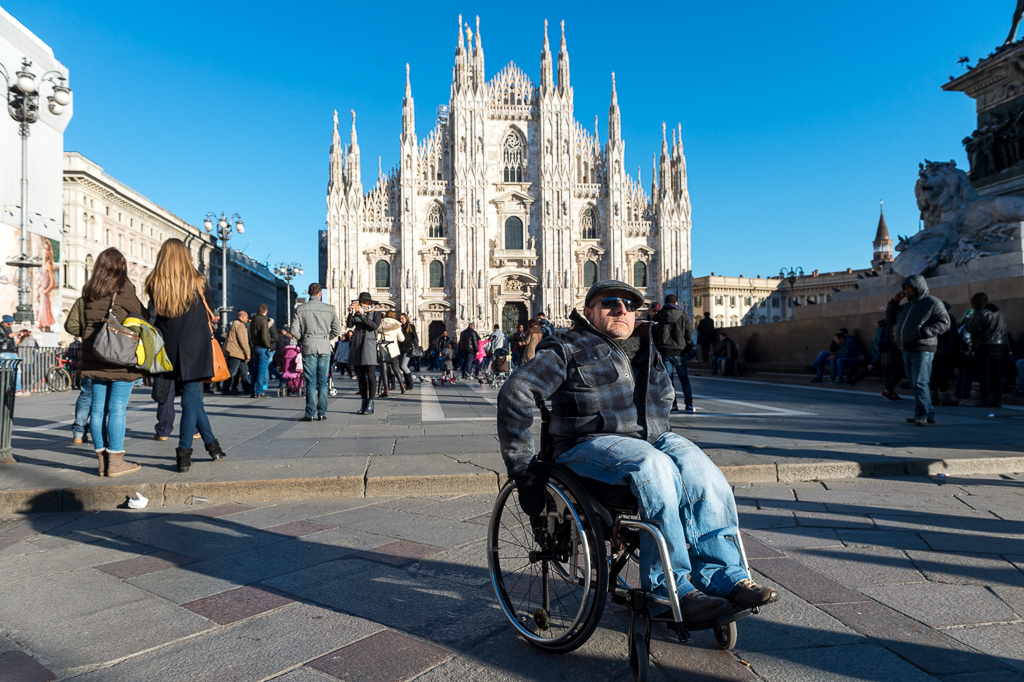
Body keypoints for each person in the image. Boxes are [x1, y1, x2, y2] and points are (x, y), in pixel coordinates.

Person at [497, 279, 778, 622]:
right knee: (653, 466)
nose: (621, 310)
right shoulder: (566, 346)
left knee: (703, 471)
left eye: (630, 306)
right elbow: (517, 393)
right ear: (588, 312)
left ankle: (723, 575)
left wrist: (655, 421)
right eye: (609, 303)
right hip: (587, 442)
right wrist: (523, 468)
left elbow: (665, 396)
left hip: (651, 437)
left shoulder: (645, 346)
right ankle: (671, 587)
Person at [145, 238, 226, 473]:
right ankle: (183, 453)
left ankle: (213, 446)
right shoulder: (198, 281)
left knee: (194, 400)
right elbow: (210, 309)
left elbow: (154, 316)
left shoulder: (155, 282)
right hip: (195, 346)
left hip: (168, 347)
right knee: (191, 399)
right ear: (185, 255)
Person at [76, 247, 146, 477]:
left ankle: (102, 462)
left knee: (97, 410)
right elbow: (142, 315)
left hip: (94, 355)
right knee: (116, 408)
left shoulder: (89, 290)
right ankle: (115, 461)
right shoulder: (124, 288)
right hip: (119, 356)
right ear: (121, 267)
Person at [885, 274, 950, 426]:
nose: (906, 291)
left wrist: (924, 332)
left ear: (918, 287)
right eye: (905, 288)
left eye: (909, 287)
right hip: (906, 348)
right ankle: (930, 413)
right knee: (916, 382)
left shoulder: (932, 302)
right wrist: (894, 302)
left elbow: (944, 323)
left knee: (919, 382)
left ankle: (921, 414)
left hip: (923, 348)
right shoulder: (906, 307)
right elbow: (890, 320)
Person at [292, 282, 342, 421]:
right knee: (322, 381)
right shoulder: (329, 309)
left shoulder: (300, 309)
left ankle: (309, 414)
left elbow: (293, 331)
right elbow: (337, 330)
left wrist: (304, 339)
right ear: (320, 293)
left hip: (309, 347)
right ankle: (321, 413)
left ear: (309, 293)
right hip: (324, 347)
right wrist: (326, 338)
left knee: (310, 382)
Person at [653, 294, 694, 413]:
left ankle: (673, 406)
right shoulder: (683, 315)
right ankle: (689, 405)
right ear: (676, 303)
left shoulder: (658, 317)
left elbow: (654, 336)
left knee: (668, 381)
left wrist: (657, 350)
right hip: (680, 352)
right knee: (684, 379)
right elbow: (689, 335)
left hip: (664, 352)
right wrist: (688, 349)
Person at [967, 292, 1008, 408]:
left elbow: (974, 329)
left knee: (984, 373)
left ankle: (985, 399)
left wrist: (968, 322)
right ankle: (997, 399)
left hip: (985, 346)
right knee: (997, 373)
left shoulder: (981, 312)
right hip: (999, 345)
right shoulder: (998, 312)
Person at [347, 292, 382, 415]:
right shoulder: (357, 313)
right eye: (359, 302)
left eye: (363, 302)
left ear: (369, 303)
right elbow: (349, 325)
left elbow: (374, 326)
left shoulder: (376, 314)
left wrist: (362, 316)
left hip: (369, 346)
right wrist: (351, 313)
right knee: (361, 377)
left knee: (371, 376)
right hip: (358, 346)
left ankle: (371, 403)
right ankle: (363, 402)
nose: (361, 304)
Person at [63, 299, 91, 444]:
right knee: (109, 398)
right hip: (113, 355)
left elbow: (71, 325)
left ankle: (78, 434)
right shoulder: (120, 297)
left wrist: (87, 332)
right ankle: (105, 435)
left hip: (89, 353)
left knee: (86, 395)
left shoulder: (84, 300)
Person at [377, 311, 405, 397]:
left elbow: (377, 339)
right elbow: (402, 339)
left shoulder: (380, 325)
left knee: (384, 370)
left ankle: (386, 390)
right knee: (395, 368)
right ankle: (402, 386)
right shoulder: (397, 326)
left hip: (383, 349)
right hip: (393, 350)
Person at [223, 311, 251, 395]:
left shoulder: (234, 323)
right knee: (232, 372)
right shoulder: (240, 325)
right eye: (246, 317)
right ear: (242, 317)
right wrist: (247, 352)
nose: (247, 319)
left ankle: (246, 388)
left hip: (237, 352)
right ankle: (225, 389)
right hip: (236, 352)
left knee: (243, 371)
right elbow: (243, 340)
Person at [250, 304, 273, 397]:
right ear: (266, 311)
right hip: (262, 347)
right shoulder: (263, 320)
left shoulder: (253, 319)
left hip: (255, 346)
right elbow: (264, 336)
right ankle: (259, 391)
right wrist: (268, 346)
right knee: (261, 370)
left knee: (254, 370)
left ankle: (252, 391)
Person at [397, 313, 418, 391]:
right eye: (400, 319)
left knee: (403, 366)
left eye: (402, 318)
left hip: (408, 349)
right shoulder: (400, 327)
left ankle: (410, 384)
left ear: (406, 318)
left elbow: (415, 338)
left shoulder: (411, 326)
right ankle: (408, 384)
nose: (401, 320)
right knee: (401, 366)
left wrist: (409, 344)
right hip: (401, 349)